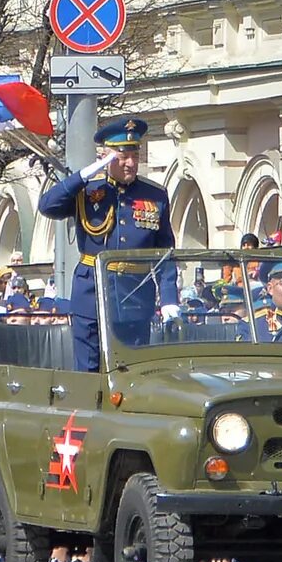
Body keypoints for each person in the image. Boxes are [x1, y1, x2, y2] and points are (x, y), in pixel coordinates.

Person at [34, 117, 174, 371]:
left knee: (132, 369)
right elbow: (47, 206)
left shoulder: (155, 195)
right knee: (88, 370)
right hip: (92, 292)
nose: (130, 163)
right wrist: (82, 176)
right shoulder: (88, 190)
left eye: (134, 154)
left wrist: (169, 299)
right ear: (105, 156)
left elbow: (165, 254)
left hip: (135, 295)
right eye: (121, 156)